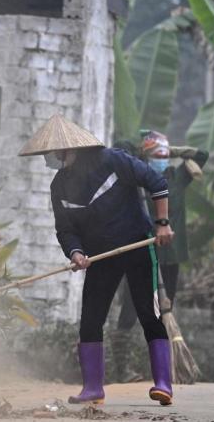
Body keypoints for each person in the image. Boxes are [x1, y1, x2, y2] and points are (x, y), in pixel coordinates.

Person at [18, 114, 175, 406]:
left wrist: (162, 223)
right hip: (101, 256)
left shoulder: (113, 160)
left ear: (72, 149)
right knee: (90, 319)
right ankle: (93, 388)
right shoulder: (59, 186)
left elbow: (157, 183)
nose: (53, 158)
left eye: (57, 152)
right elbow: (65, 229)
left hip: (138, 245)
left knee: (148, 313)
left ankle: (163, 383)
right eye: (50, 154)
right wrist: (76, 253)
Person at [112, 131, 209, 383]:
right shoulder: (139, 179)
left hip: (171, 255)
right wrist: (145, 152)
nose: (162, 159)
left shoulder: (177, 178)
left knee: (164, 309)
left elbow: (203, 156)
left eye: (165, 155)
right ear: (146, 156)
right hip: (141, 252)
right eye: (158, 155)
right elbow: (123, 150)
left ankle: (162, 368)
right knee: (131, 308)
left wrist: (172, 149)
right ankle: (122, 369)